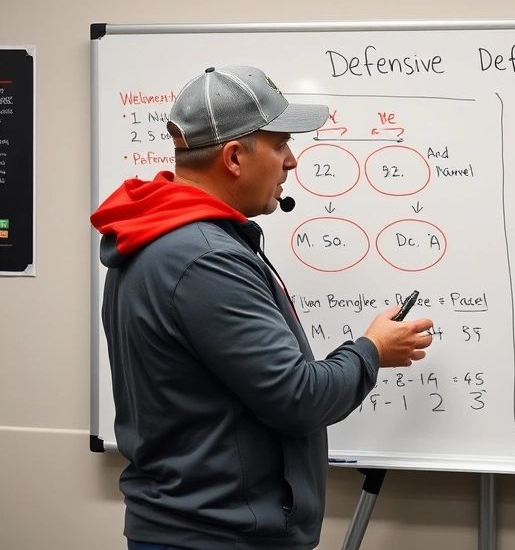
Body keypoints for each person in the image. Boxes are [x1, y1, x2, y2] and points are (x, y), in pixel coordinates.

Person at [91, 66, 434, 550]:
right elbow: (299, 399)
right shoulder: (204, 259)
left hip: (197, 525)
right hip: (218, 536)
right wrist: (373, 349)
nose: (291, 162)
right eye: (280, 145)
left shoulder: (164, 238)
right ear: (234, 157)